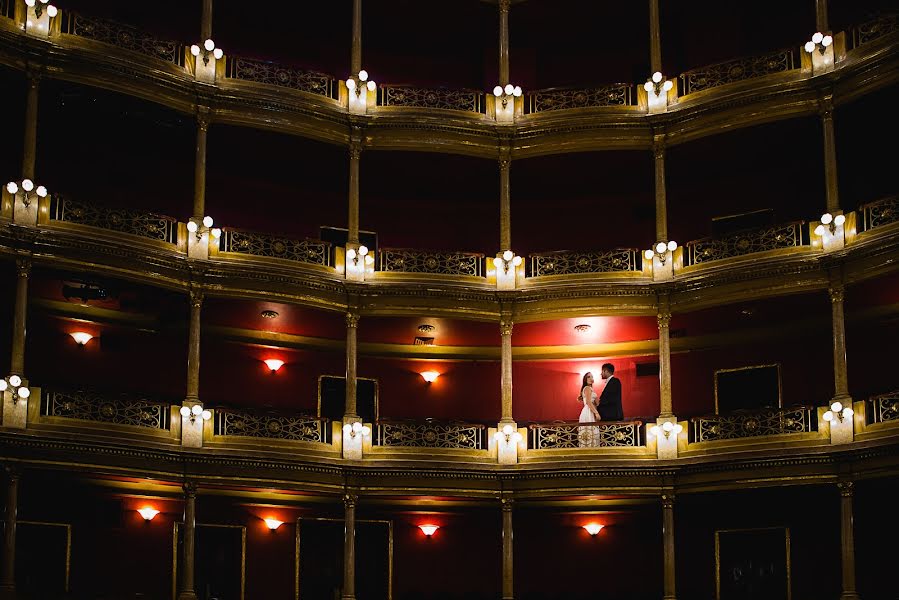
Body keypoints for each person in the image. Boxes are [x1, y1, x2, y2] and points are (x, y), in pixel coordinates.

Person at [577, 372, 601, 447]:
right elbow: (588, 402)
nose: (591, 378)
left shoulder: (591, 389)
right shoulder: (587, 388)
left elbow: (597, 403)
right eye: (588, 377)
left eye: (592, 377)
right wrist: (596, 413)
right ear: (585, 379)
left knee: (593, 433)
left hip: (591, 410)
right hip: (588, 412)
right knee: (588, 433)